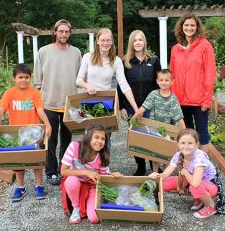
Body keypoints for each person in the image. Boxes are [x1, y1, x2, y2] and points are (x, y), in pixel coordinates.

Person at [0, 64, 52, 202]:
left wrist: (47, 124)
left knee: (36, 159)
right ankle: (20, 187)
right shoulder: (9, 93)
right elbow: (0, 110)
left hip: (33, 132)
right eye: (20, 77)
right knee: (18, 160)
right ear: (14, 78)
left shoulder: (34, 93)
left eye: (26, 77)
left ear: (30, 78)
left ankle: (39, 185)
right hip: (16, 132)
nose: (23, 80)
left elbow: (40, 110)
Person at [34, 19, 82, 185]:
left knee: (67, 140)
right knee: (51, 139)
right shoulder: (43, 51)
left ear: (69, 34)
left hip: (69, 105)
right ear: (55, 32)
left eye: (67, 31)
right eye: (61, 31)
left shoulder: (76, 53)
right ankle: (51, 172)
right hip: (49, 104)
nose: (64, 34)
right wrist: (38, 104)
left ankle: (64, 169)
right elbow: (37, 81)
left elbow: (79, 78)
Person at [149, 128, 225, 218]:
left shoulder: (199, 157)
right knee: (165, 183)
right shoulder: (178, 155)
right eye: (183, 143)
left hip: (210, 184)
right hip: (193, 179)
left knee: (194, 187)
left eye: (190, 143)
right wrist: (157, 175)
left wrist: (185, 172)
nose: (186, 146)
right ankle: (199, 198)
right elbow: (165, 174)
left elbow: (196, 183)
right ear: (178, 144)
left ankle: (210, 206)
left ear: (196, 144)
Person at [117, 29, 162, 176]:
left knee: (152, 136)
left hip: (150, 107)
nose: (138, 42)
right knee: (137, 137)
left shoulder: (154, 60)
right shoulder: (125, 62)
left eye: (140, 39)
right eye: (135, 40)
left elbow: (159, 84)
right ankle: (141, 166)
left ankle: (154, 166)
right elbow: (121, 86)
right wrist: (122, 107)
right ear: (131, 43)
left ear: (144, 42)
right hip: (132, 107)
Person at [170, 13, 216, 152]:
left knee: (202, 135)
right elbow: (173, 75)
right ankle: (190, 167)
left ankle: (205, 168)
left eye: (192, 25)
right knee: (186, 135)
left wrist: (207, 100)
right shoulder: (176, 48)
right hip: (181, 100)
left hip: (199, 100)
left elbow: (210, 73)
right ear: (181, 27)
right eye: (186, 25)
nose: (189, 28)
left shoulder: (204, 45)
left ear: (197, 27)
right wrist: (173, 99)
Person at [60, 123, 123, 224]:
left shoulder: (102, 156)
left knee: (94, 219)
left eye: (103, 139)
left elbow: (103, 176)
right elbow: (63, 171)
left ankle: (91, 202)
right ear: (88, 137)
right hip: (75, 182)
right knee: (71, 181)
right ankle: (76, 208)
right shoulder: (75, 146)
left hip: (91, 185)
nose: (99, 141)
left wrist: (113, 175)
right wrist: (86, 172)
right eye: (96, 137)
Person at [132, 69, 186, 173]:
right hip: (154, 129)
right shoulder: (154, 95)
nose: (163, 82)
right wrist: (133, 119)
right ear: (157, 81)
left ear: (172, 82)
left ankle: (165, 175)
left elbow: (179, 116)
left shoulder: (173, 99)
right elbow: (143, 108)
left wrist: (184, 132)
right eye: (161, 80)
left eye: (166, 80)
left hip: (167, 130)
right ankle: (155, 173)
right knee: (155, 153)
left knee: (166, 154)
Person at [76, 27, 138, 114]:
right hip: (89, 101)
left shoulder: (117, 61)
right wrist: (87, 86)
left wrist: (135, 108)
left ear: (112, 42)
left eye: (108, 40)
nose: (105, 43)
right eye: (102, 40)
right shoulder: (87, 57)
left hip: (107, 103)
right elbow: (79, 80)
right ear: (97, 41)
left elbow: (124, 86)